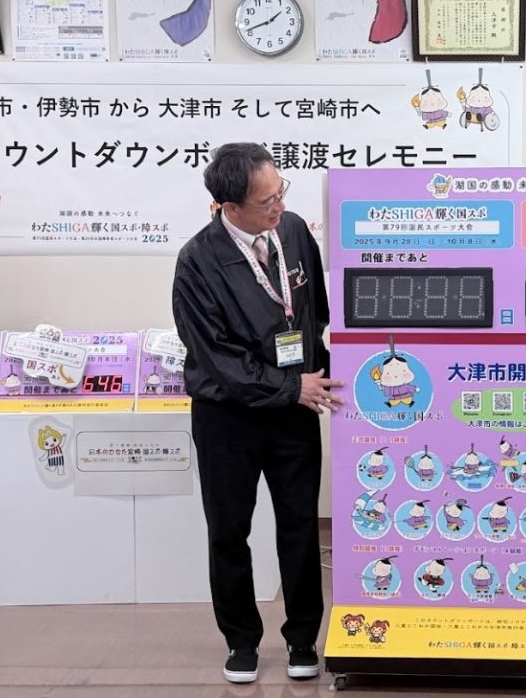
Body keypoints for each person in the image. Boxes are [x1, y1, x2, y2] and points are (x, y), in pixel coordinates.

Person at [172, 142, 344, 685]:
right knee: (229, 531)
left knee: (300, 525)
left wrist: (329, 365)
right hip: (228, 417)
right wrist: (290, 386)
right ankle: (241, 641)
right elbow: (217, 357)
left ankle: (302, 638)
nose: (279, 206)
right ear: (230, 207)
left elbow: (316, 310)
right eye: (267, 201)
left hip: (294, 409)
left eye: (280, 192)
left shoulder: (292, 230)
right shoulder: (197, 261)